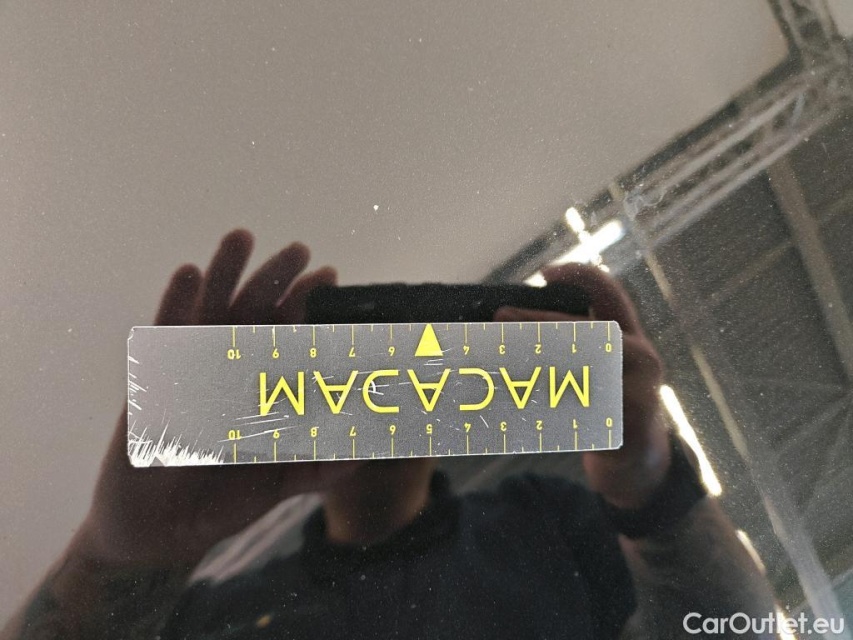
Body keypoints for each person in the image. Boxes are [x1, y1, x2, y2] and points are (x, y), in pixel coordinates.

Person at [2, 230, 776, 639]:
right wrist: (116, 556)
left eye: (416, 362)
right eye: (350, 363)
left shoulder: (542, 518)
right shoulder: (213, 616)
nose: (383, 388)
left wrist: (648, 480)